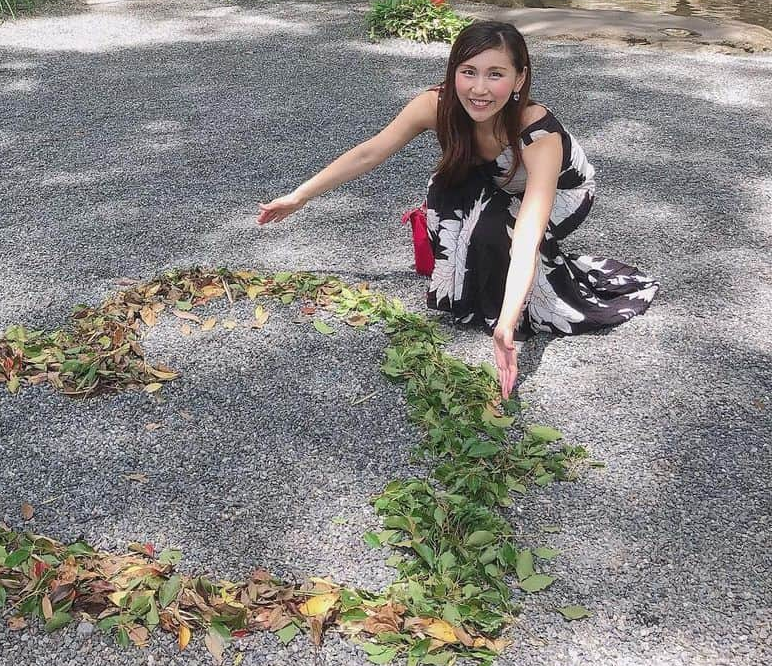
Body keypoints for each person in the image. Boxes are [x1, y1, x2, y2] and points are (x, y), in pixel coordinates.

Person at [257, 20, 658, 399]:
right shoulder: (437, 104)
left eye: (496, 74)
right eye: (468, 71)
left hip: (564, 194)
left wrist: (506, 324)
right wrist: (299, 196)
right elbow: (371, 152)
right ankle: (467, 281)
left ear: (519, 79)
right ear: (453, 73)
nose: (479, 89)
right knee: (445, 187)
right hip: (496, 182)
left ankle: (517, 295)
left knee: (501, 228)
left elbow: (528, 232)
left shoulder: (539, 134)